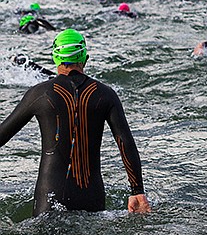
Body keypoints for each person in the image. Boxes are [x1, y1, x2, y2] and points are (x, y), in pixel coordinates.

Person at [0, 29, 151, 216]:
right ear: (85, 58)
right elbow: (125, 142)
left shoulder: (40, 94)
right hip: (92, 198)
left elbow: (3, 134)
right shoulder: (105, 94)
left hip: (50, 198)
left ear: (55, 59)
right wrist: (137, 191)